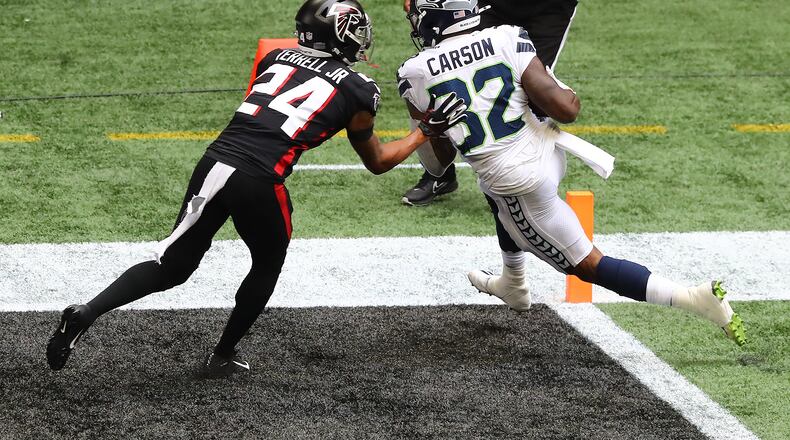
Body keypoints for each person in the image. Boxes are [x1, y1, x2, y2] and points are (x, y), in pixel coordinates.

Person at [46, 0, 467, 377]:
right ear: (342, 36)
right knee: (267, 264)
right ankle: (223, 354)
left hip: (215, 162)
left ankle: (87, 311)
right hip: (260, 179)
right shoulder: (360, 89)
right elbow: (378, 162)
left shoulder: (275, 57)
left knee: (172, 265)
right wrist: (424, 131)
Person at [397, 0, 746, 344]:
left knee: (585, 264)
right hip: (549, 149)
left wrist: (429, 129)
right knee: (491, 184)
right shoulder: (506, 36)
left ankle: (693, 298)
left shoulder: (415, 72)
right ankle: (512, 281)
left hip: (519, 180)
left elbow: (438, 162)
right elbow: (567, 108)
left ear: (434, 18)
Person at [400, 0, 578, 206]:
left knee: (537, 93)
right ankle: (439, 175)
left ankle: (523, 177)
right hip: (493, 3)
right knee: (447, 76)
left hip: (551, 7)